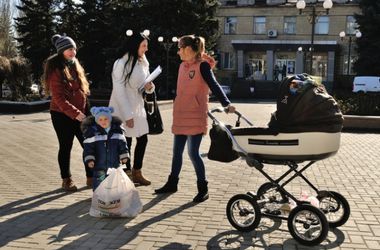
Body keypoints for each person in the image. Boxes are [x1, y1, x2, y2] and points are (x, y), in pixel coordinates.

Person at [154, 35, 236, 202]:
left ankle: (202, 187)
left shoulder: (203, 66)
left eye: (180, 48)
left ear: (189, 49)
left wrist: (226, 104)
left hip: (195, 114)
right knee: (177, 152)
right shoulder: (182, 66)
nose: (178, 52)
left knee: (193, 153)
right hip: (181, 114)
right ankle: (172, 183)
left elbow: (214, 85)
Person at [42, 34, 92, 191]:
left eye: (74, 49)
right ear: (62, 50)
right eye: (69, 49)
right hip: (61, 114)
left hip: (80, 114)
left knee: (88, 145)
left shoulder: (75, 65)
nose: (73, 52)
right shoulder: (56, 70)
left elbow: (83, 91)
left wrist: (88, 112)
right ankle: (66, 179)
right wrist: (76, 113)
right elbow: (58, 99)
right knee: (66, 146)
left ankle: (91, 177)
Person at [108, 32, 154, 186]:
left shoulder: (143, 61)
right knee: (125, 142)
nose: (146, 49)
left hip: (138, 106)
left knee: (143, 139)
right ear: (135, 46)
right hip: (122, 108)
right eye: (143, 46)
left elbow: (144, 84)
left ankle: (137, 172)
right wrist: (127, 115)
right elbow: (119, 91)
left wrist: (149, 87)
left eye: (146, 46)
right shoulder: (121, 63)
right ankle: (125, 174)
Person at [81, 106, 130, 190]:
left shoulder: (117, 131)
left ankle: (113, 197)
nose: (103, 121)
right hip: (99, 165)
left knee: (114, 182)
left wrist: (124, 156)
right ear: (96, 121)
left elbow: (122, 145)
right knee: (99, 182)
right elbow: (88, 149)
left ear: (110, 119)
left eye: (106, 119)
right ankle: (99, 197)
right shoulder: (92, 133)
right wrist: (90, 159)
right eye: (100, 119)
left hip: (114, 164)